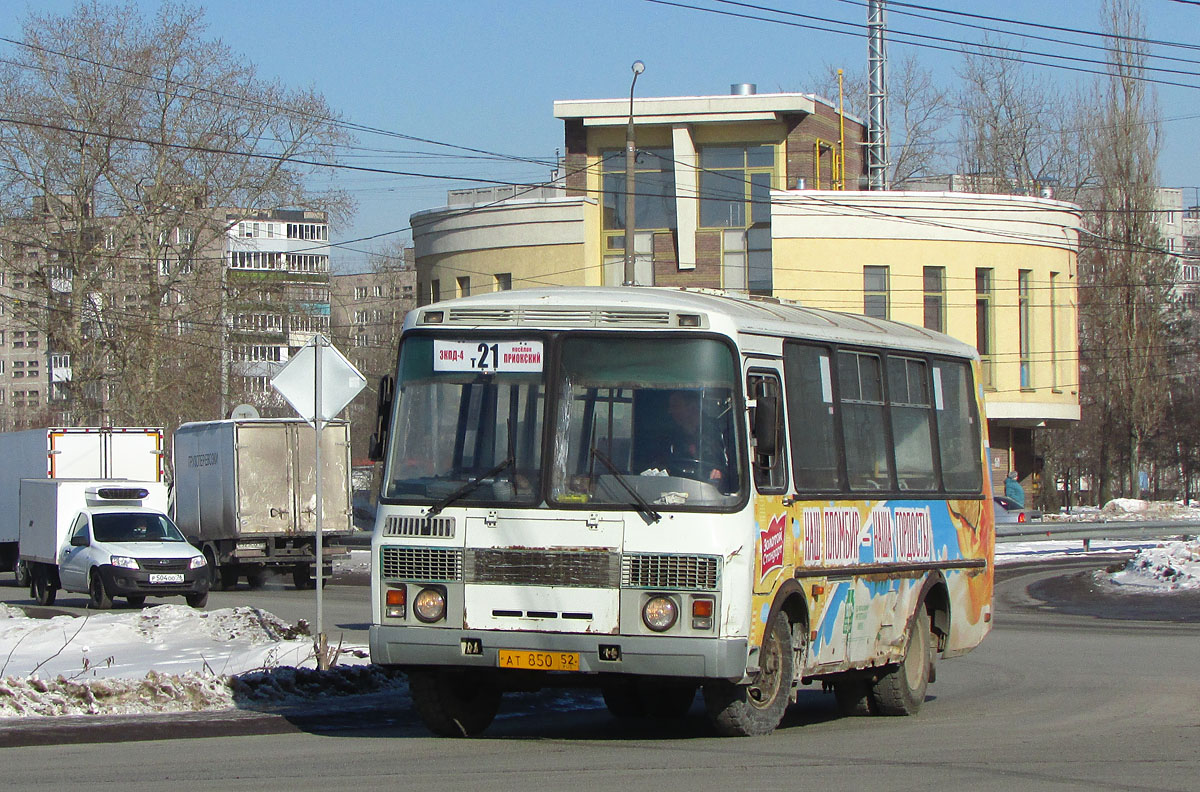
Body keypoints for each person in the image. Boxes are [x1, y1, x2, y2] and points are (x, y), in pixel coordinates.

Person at [661, 389, 732, 484]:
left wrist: (721, 474)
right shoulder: (673, 436)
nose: (670, 411)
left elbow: (736, 470)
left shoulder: (721, 431)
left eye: (675, 406)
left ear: (692, 408)